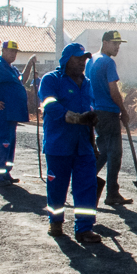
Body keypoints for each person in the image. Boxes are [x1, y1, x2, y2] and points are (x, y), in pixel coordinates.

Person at [38, 43, 102, 244]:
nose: (82, 62)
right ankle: (55, 221)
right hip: (59, 145)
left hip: (83, 145)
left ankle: (84, 228)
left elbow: (90, 110)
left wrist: (93, 141)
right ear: (66, 59)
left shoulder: (87, 83)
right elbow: (50, 106)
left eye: (84, 59)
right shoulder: (51, 80)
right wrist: (76, 118)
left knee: (86, 187)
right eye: (78, 58)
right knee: (57, 187)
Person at [0, 40, 37, 186]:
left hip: (12, 114)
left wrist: (29, 64)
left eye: (15, 52)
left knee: (10, 146)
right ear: (3, 51)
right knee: (1, 145)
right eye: (10, 51)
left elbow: (22, 80)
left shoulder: (11, 69)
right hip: (2, 114)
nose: (13, 54)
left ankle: (5, 173)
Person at [87, 29, 133, 206]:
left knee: (104, 151)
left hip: (95, 112)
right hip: (108, 112)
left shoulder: (91, 60)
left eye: (119, 44)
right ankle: (112, 193)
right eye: (115, 43)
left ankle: (84, 180)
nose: (117, 47)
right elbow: (113, 90)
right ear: (105, 42)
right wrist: (123, 110)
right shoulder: (107, 63)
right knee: (115, 153)